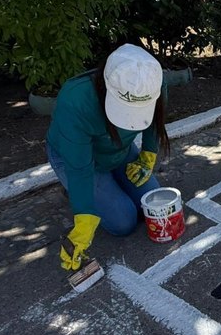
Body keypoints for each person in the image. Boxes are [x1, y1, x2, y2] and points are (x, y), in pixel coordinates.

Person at [46, 43, 170, 273]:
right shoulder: (75, 101)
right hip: (79, 158)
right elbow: (80, 167)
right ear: (105, 86)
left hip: (119, 149)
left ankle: (106, 186)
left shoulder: (153, 82)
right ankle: (72, 189)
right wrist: (83, 220)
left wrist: (147, 155)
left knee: (152, 206)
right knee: (124, 222)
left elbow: (154, 121)